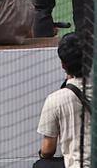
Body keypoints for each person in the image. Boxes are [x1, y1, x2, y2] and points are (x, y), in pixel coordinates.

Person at [36, 34, 92, 168]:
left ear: (63, 65)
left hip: (77, 164)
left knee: (41, 165)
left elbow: (48, 150)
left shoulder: (55, 99)